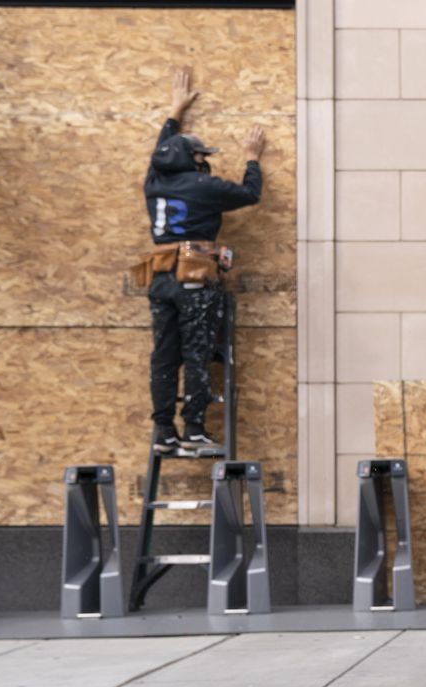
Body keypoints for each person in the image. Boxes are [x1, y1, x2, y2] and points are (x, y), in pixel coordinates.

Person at [143, 68, 263, 452]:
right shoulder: (203, 186)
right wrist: (252, 158)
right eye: (199, 154)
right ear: (189, 160)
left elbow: (164, 147)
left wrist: (175, 110)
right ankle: (193, 429)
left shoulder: (154, 179)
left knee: (164, 355)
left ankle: (164, 432)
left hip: (159, 272)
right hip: (194, 270)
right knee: (197, 351)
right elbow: (249, 194)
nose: (203, 160)